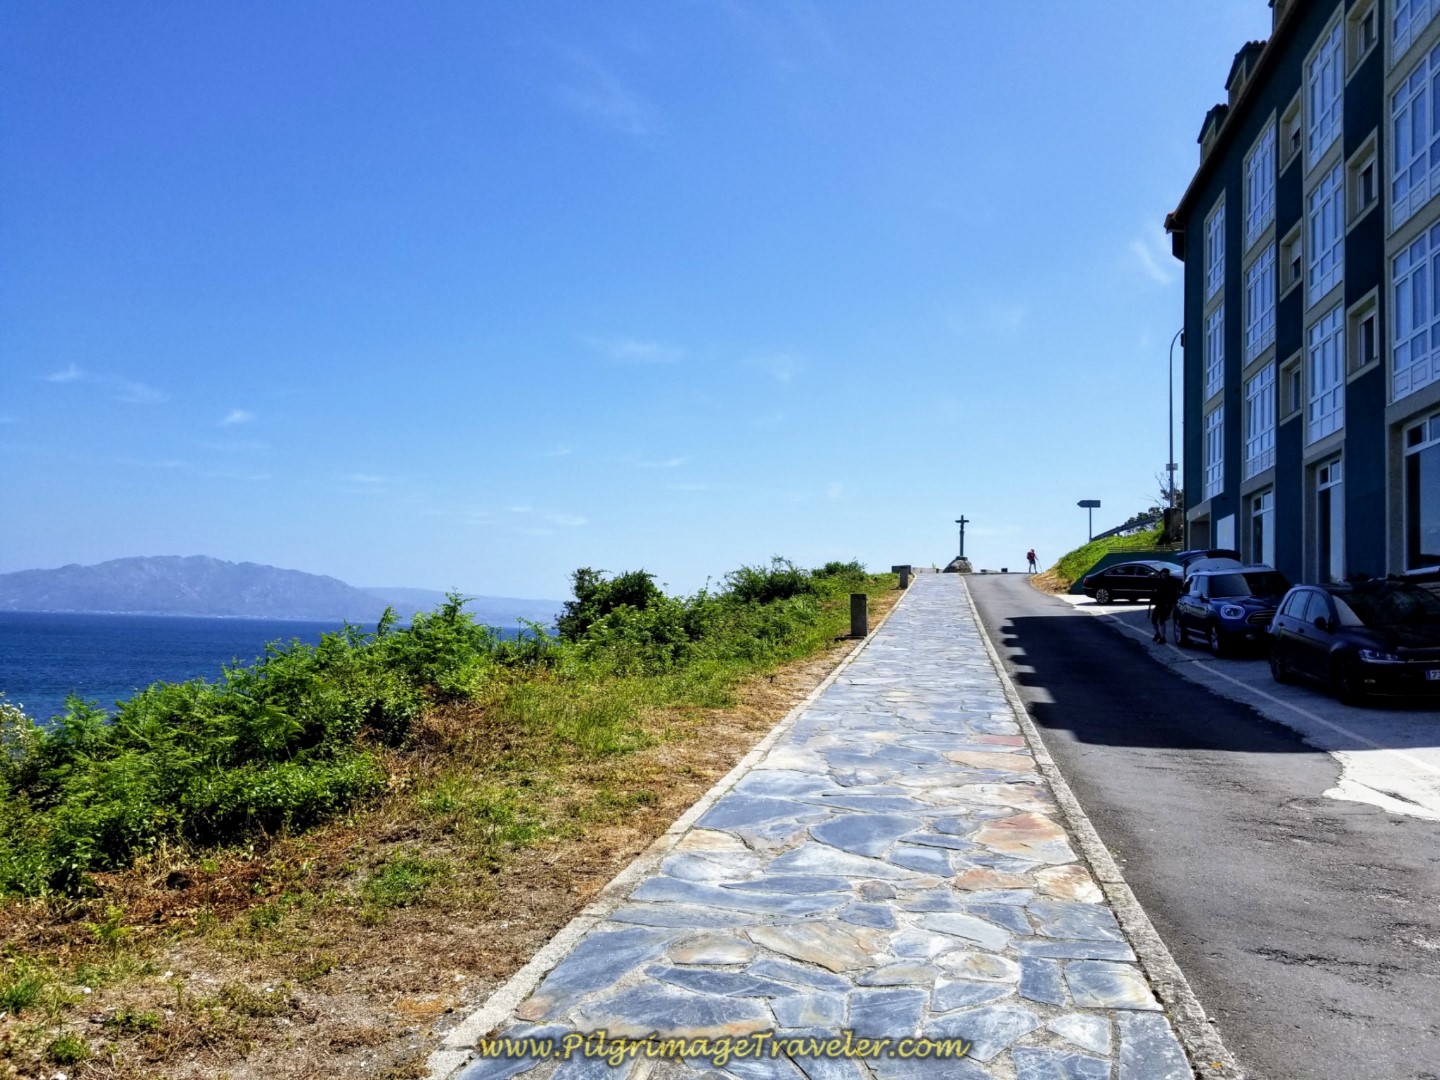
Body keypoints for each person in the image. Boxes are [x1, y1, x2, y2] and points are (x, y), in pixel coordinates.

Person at [1150, 567, 1183, 643]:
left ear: (1167, 575)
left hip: (1167, 605)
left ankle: (1163, 637)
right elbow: (1155, 591)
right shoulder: (1159, 582)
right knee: (1154, 620)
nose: (1163, 576)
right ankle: (1157, 634)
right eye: (1162, 574)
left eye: (1165, 574)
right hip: (1159, 604)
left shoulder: (1171, 583)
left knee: (1162, 620)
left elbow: (1173, 593)